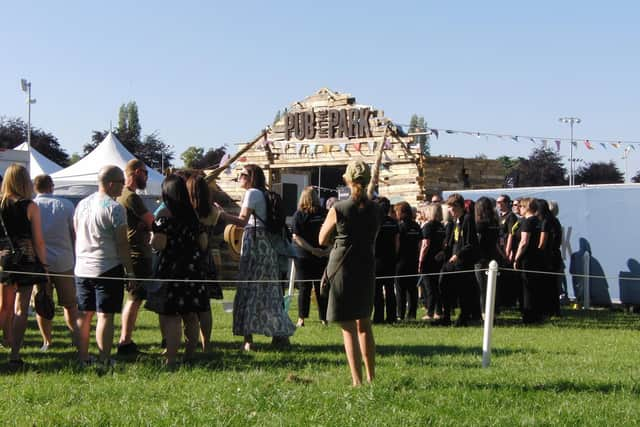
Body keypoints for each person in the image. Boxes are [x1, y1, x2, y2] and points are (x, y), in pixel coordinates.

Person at [319, 160, 381, 386]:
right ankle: (371, 377)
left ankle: (357, 380)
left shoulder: (339, 208)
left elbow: (321, 238)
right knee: (364, 323)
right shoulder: (376, 208)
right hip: (366, 265)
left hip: (342, 267)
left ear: (348, 179)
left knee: (347, 326)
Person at [229, 164, 295, 351]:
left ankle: (248, 340)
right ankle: (280, 336)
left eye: (242, 174)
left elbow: (242, 221)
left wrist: (220, 215)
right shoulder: (262, 193)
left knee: (248, 290)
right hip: (266, 246)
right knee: (269, 292)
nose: (239, 177)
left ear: (251, 177)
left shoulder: (252, 193)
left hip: (255, 243)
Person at [146, 175, 209, 366]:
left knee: (171, 315)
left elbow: (160, 244)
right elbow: (203, 243)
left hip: (172, 269)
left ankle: (171, 358)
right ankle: (189, 355)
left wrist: (153, 237)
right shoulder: (192, 214)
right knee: (190, 315)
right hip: (192, 269)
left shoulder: (165, 214)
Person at [74, 165, 134, 366]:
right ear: (110, 184)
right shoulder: (115, 209)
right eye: (121, 183)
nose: (123, 187)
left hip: (82, 267)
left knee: (84, 314)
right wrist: (130, 272)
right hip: (106, 267)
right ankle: (104, 359)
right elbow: (122, 243)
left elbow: (76, 232)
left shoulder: (82, 204)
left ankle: (83, 358)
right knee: (105, 315)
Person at [0, 164, 49, 366]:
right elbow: (38, 240)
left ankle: (6, 339)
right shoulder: (30, 206)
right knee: (21, 309)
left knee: (4, 307)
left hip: (4, 260)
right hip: (26, 259)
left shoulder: (1, 205)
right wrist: (44, 265)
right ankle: (15, 354)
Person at [33, 175, 78, 351]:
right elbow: (74, 233)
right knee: (70, 304)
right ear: (51, 186)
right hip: (64, 260)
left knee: (42, 303)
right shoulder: (66, 205)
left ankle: (47, 341)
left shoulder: (31, 205)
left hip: (39, 262)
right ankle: (76, 338)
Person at [116, 159, 154, 357]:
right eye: (146, 173)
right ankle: (125, 341)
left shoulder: (120, 196)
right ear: (137, 172)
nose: (147, 177)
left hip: (130, 252)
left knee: (134, 298)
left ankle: (125, 340)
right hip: (137, 253)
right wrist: (148, 225)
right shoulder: (131, 197)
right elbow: (151, 220)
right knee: (134, 298)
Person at [186, 173, 222, 352]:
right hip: (206, 259)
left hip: (189, 260)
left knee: (190, 308)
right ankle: (206, 345)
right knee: (205, 306)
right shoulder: (213, 211)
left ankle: (190, 345)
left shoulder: (187, 212)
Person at [437, 193, 479, 327]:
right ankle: (446, 316)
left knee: (463, 291)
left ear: (458, 206)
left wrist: (458, 254)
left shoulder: (467, 220)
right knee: (444, 285)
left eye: (451, 207)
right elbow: (453, 241)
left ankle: (464, 317)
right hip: (453, 262)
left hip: (463, 262)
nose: (449, 210)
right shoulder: (456, 221)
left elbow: (470, 243)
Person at [292, 186, 329, 327]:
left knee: (304, 287)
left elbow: (296, 237)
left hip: (304, 255)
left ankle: (301, 318)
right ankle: (324, 318)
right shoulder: (324, 213)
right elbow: (332, 233)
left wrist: (311, 250)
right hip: (321, 254)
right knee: (321, 287)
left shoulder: (299, 215)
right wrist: (325, 250)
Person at [513, 198, 543, 324]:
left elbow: (524, 242)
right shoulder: (538, 221)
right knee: (535, 287)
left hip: (526, 258)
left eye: (521, 206)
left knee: (526, 288)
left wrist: (516, 258)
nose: (519, 208)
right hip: (536, 257)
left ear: (527, 208)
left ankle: (528, 316)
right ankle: (536, 314)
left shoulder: (527, 222)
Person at [372, 197, 399, 324]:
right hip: (390, 259)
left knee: (377, 291)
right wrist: (395, 255)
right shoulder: (393, 222)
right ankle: (392, 317)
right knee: (390, 289)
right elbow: (397, 242)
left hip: (376, 259)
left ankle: (378, 317)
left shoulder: (374, 223)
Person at [394, 201, 422, 320]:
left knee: (400, 289)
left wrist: (395, 256)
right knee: (412, 289)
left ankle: (400, 314)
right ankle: (412, 314)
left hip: (401, 261)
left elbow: (397, 243)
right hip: (413, 260)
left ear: (401, 212)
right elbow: (420, 244)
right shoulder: (416, 226)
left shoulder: (400, 226)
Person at [418, 203, 445, 320]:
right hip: (438, 259)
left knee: (429, 288)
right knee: (436, 287)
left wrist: (420, 260)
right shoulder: (441, 227)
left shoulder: (427, 226)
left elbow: (425, 245)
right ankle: (439, 312)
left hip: (428, 260)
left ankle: (430, 312)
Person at [474, 197, 499, 314]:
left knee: (482, 287)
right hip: (493, 256)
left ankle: (484, 312)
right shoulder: (494, 222)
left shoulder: (480, 225)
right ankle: (493, 310)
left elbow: (478, 242)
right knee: (492, 286)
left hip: (481, 258)